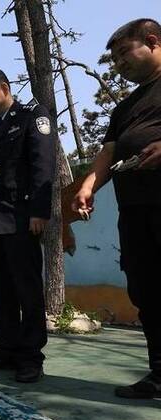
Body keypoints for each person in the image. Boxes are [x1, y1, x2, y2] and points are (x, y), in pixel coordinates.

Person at [72, 19, 161, 398]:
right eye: (114, 59)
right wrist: (88, 185)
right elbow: (109, 152)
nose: (119, 64)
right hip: (137, 211)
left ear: (153, 41)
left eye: (124, 53)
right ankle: (159, 374)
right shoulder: (124, 107)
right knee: (148, 292)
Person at [0, 69, 55, 383]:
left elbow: (43, 165)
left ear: (4, 88)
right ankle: (6, 348)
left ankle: (31, 356)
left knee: (27, 288)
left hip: (22, 217)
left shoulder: (32, 116)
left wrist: (39, 212)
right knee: (0, 288)